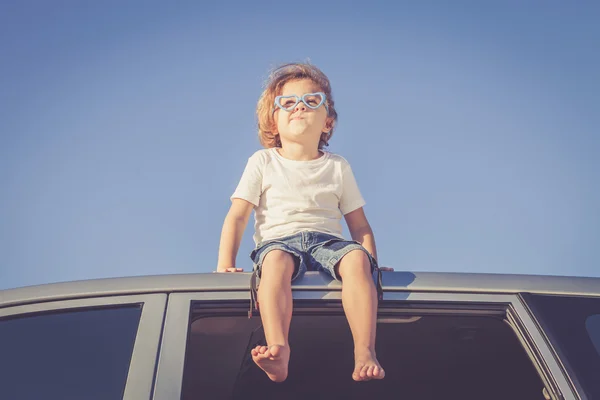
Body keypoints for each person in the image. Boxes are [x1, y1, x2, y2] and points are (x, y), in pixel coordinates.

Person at [216, 62, 391, 383]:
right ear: (274, 119)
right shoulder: (262, 161)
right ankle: (279, 348)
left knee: (354, 259)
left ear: (328, 121)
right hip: (278, 242)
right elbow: (238, 215)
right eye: (287, 102)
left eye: (311, 101)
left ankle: (365, 351)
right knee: (275, 263)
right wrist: (224, 262)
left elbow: (359, 226)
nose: (299, 107)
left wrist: (372, 264)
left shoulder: (338, 166)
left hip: (328, 242)